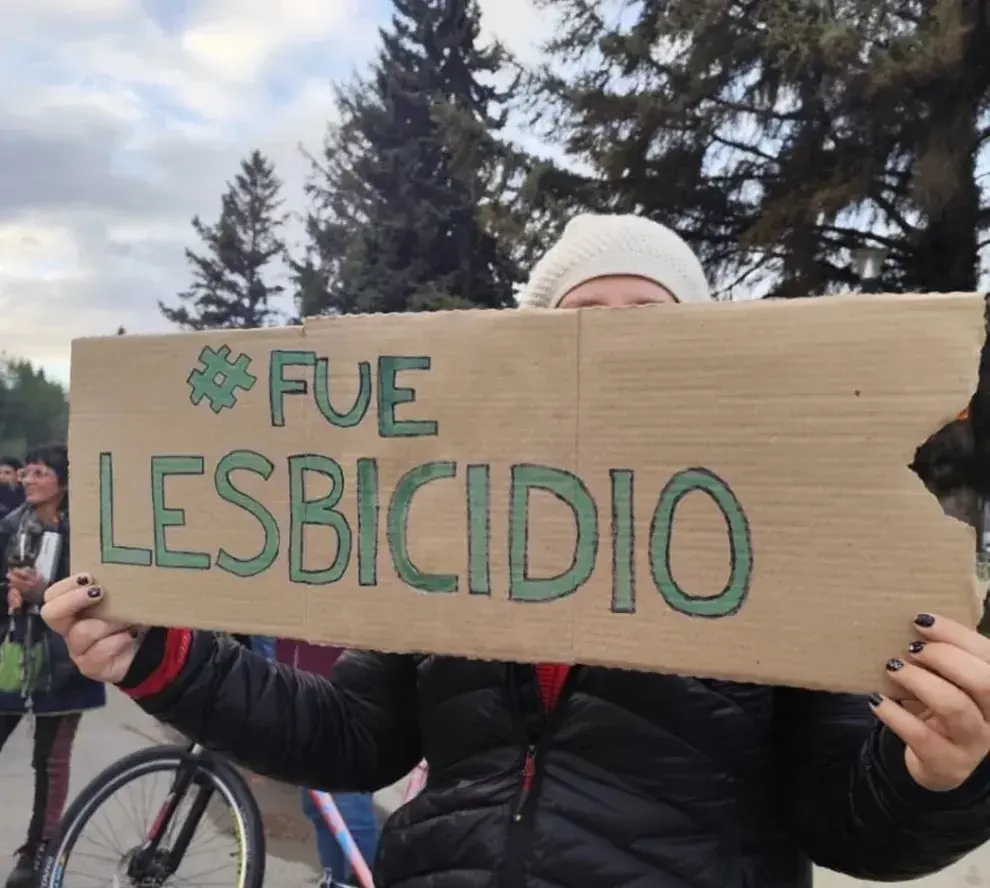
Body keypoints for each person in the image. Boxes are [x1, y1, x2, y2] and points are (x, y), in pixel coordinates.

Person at [40, 214, 990, 888]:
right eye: (583, 314)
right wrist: (165, 656)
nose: (614, 331)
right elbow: (354, 736)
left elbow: (853, 822)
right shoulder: (450, 528)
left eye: (648, 314)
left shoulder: (787, 540)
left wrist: (942, 775)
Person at [1, 444, 106, 887]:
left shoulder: (87, 535)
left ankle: (38, 853)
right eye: (25, 472)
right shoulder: (9, 526)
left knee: (50, 762)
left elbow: (97, 594)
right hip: (13, 653)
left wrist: (44, 591)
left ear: (62, 482)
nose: (28, 479)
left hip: (65, 660)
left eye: (40, 472)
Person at [278, 639, 380, 887]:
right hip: (307, 689)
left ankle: (364, 879)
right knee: (322, 812)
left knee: (348, 814)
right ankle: (337, 879)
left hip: (344, 696)